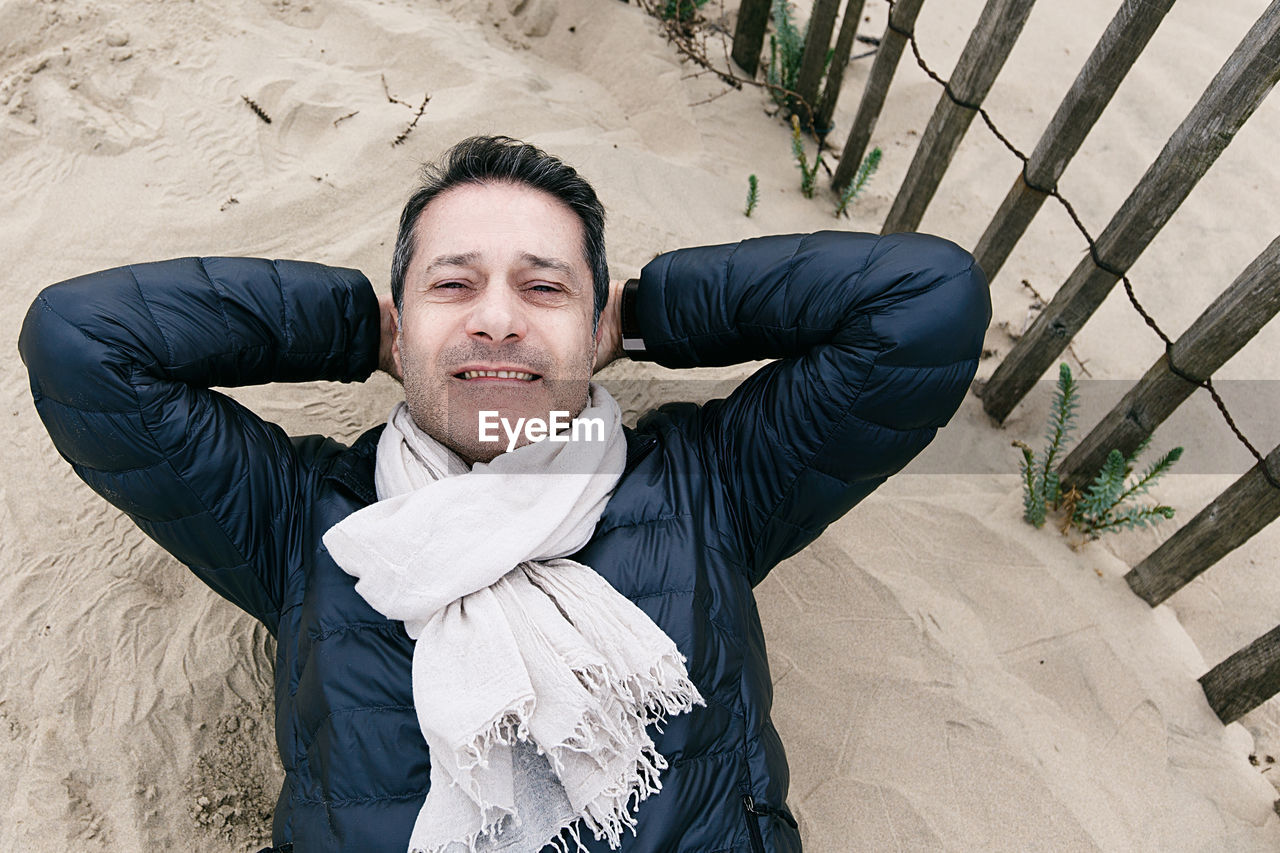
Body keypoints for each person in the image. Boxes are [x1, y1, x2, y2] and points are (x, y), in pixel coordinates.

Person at [18, 135, 991, 853]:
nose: (494, 320)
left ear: (599, 328)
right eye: (452, 287)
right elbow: (85, 344)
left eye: (542, 289)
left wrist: (648, 314)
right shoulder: (306, 516)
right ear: (400, 331)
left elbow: (923, 303)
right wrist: (357, 328)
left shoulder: (709, 483)